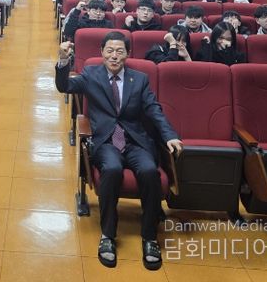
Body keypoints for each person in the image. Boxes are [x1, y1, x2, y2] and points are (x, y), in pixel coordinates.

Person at [55, 32, 182, 270]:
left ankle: (150, 237)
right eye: (110, 51)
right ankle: (108, 235)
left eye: (120, 51)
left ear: (127, 54)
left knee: (149, 171)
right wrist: (63, 60)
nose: (114, 56)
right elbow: (65, 86)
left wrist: (170, 135)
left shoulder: (139, 79)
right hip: (106, 141)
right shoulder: (91, 74)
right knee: (112, 169)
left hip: (134, 141)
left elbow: (154, 110)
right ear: (102, 52)